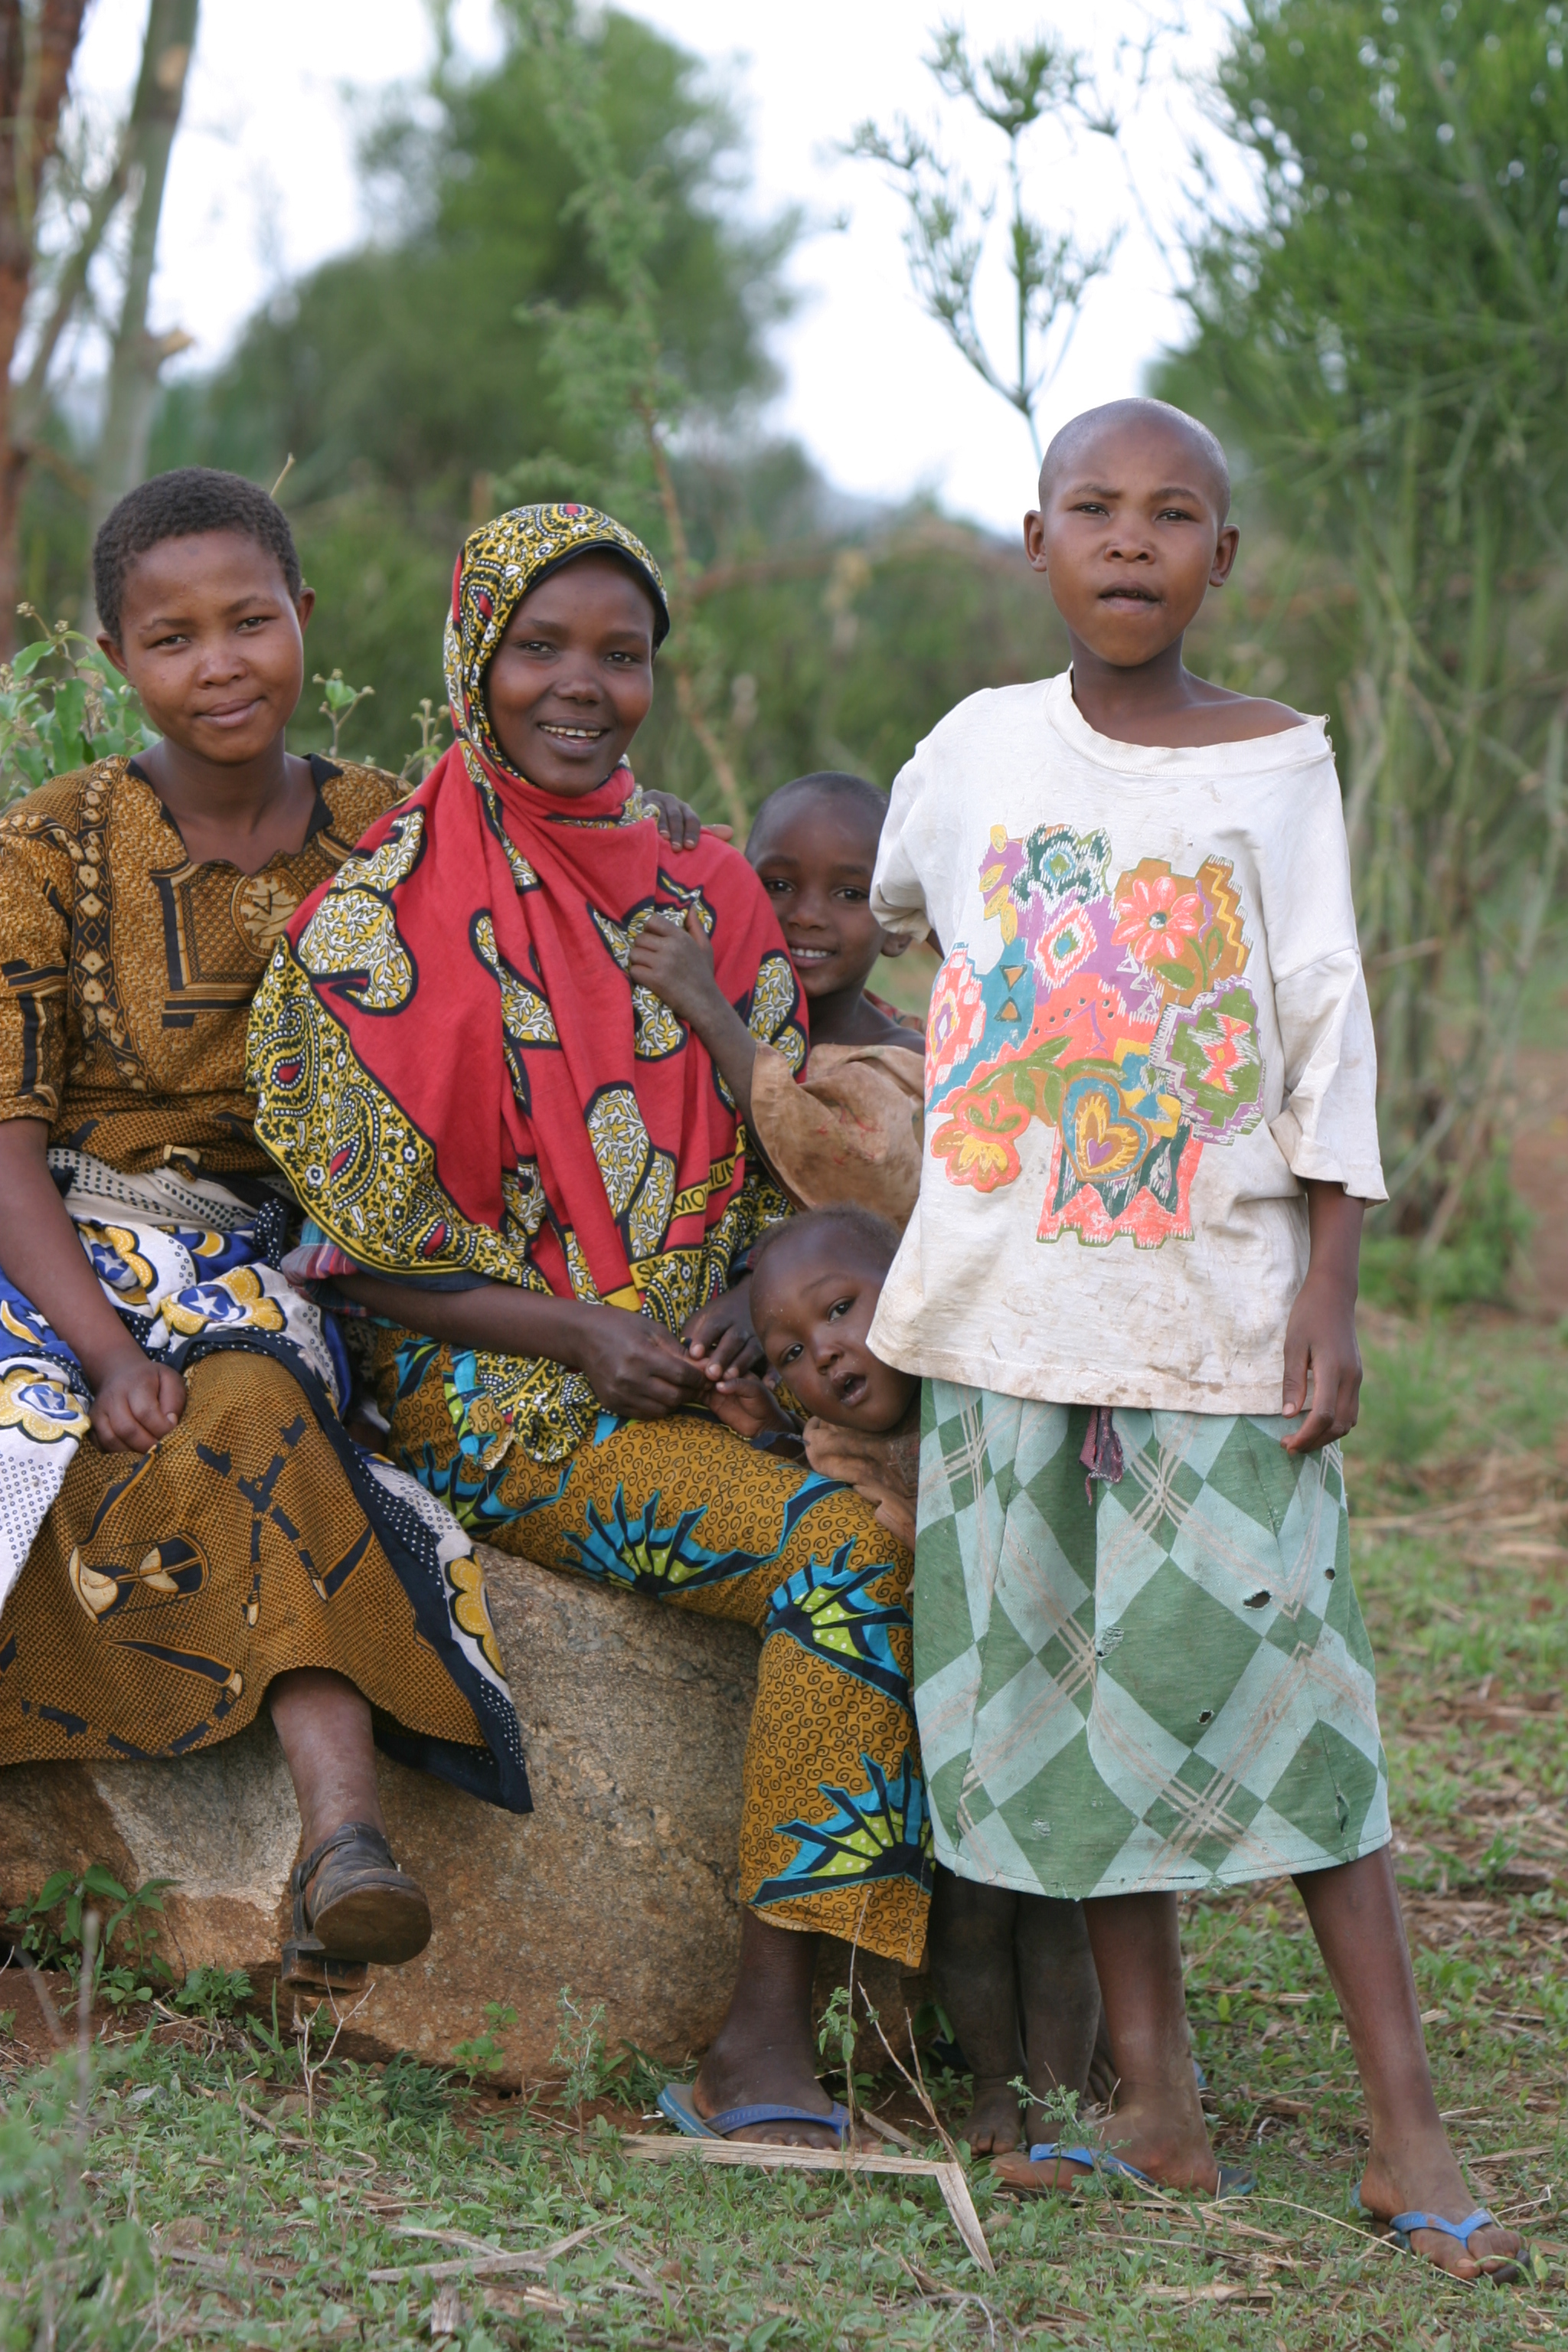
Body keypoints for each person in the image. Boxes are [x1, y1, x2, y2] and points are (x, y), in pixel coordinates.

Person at [865, 398, 1523, 2278]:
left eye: (1173, 516)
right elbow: (914, 909)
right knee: (1081, 1703)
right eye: (1094, 509)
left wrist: (1329, 1278)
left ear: (1221, 557)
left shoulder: (1274, 768)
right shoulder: (977, 748)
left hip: (1214, 1318)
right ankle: (1155, 2105)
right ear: (1035, 540)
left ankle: (1407, 2128)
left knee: (1293, 1707)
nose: (1131, 540)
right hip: (1004, 1313)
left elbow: (1321, 1015)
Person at [248, 502, 930, 2148]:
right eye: (540, 647)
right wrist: (578, 1335)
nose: (580, 686)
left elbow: (776, 1171)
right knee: (849, 1548)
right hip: (503, 1398)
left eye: (618, 656)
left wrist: (714, 1308)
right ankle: (759, 2045)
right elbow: (357, 1260)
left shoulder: (707, 892)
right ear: (474, 655)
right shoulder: (370, 920)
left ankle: (950, 2009)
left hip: (705, 1371)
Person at [0, 467, 533, 1985]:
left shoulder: (388, 833)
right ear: (118, 664)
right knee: (31, 1446)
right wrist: (102, 1352)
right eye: (173, 638)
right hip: (65, 1259)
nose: (219, 661)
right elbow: (5, 1143)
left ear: (305, 617)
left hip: (283, 1261)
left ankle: (341, 1839)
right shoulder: (49, 850)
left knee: (250, 1395)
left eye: (250, 621)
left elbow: (538, 926)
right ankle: (317, 1841)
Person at [727, 1204, 1107, 2148]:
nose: (823, 1352)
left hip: (1057, 1707)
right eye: (786, 1355)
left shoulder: (987, 1382)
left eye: (843, 1307)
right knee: (970, 1923)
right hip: (954, 1725)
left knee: (1059, 1920)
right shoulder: (837, 1452)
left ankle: (1063, 2106)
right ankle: (991, 2086)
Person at [629, 770, 925, 1229]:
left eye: (850, 894)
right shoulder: (698, 984)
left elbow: (839, 1163)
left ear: (898, 928)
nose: (806, 915)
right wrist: (644, 825)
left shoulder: (909, 1063)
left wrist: (707, 1006)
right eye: (777, 885)